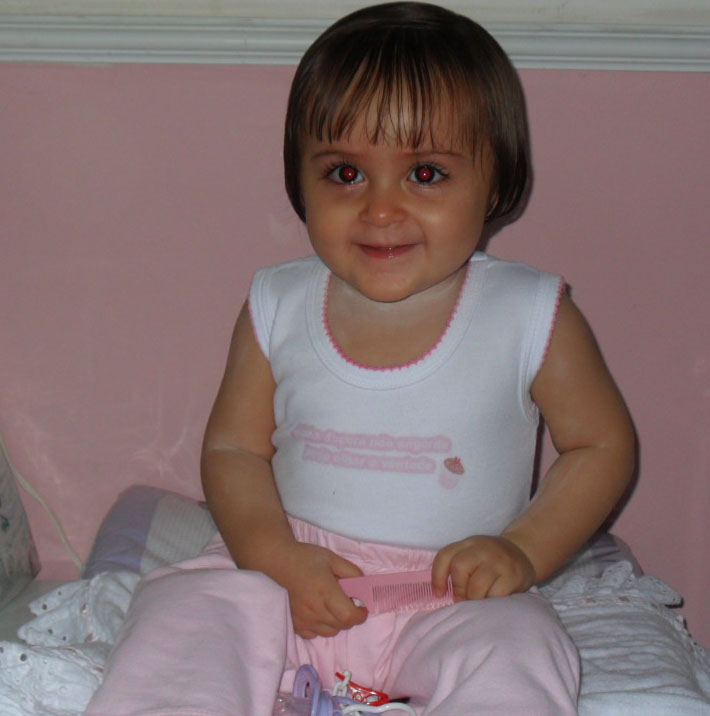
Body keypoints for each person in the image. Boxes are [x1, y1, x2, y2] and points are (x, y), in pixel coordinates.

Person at [87, 3, 636, 714]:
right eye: (345, 173)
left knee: (518, 645)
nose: (380, 209)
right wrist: (273, 556)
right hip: (289, 580)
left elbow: (599, 445)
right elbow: (234, 450)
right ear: (300, 181)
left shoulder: (528, 313)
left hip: (451, 593)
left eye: (426, 173)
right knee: (189, 609)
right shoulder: (278, 303)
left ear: (496, 183)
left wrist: (523, 550)